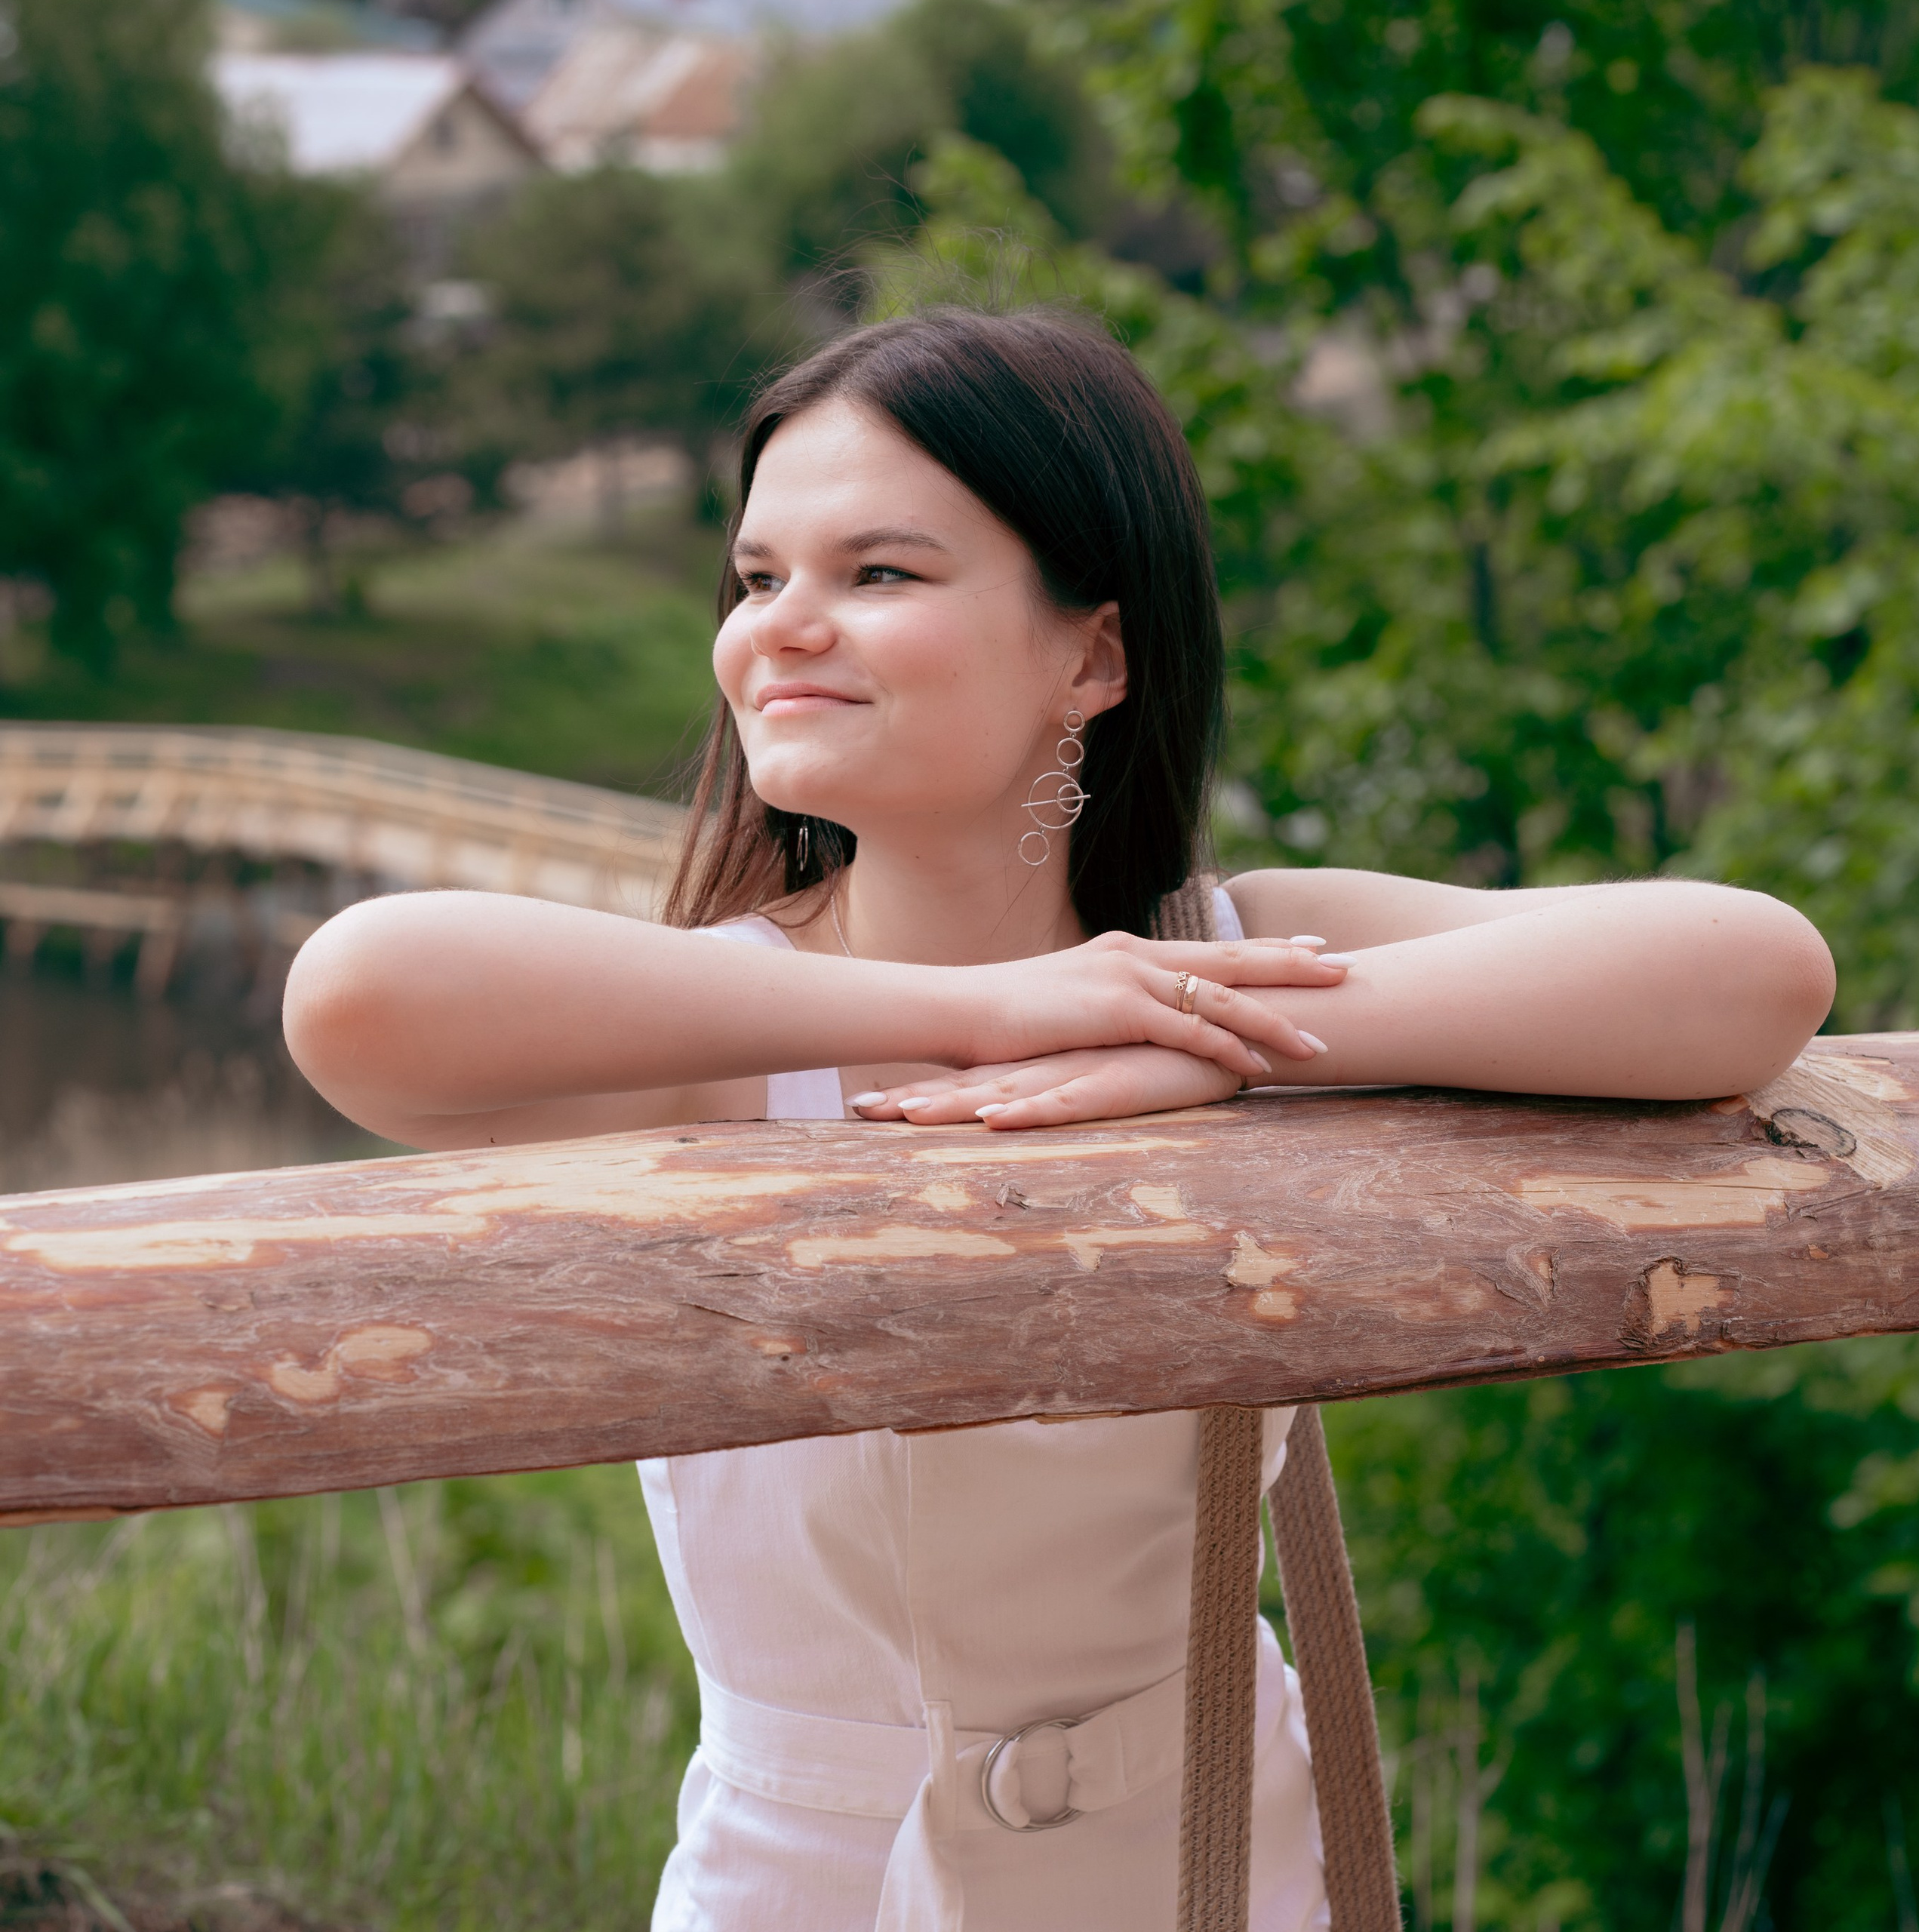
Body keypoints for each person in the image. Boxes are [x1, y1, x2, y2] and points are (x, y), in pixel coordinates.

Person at [283, 306, 1835, 1932]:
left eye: (877, 574)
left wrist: (1231, 1038)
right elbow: (360, 994)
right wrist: (985, 1010)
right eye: (756, 579)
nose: (780, 630)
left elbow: (1748, 965)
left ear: (1088, 656)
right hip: (814, 1872)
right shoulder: (728, 1024)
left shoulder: (1222, 940)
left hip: (1216, 1856)